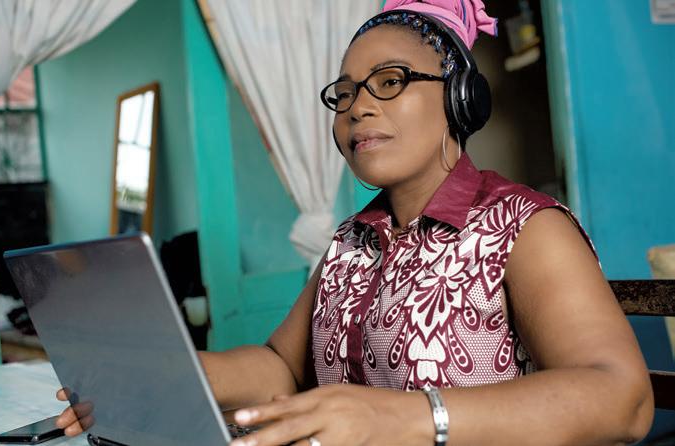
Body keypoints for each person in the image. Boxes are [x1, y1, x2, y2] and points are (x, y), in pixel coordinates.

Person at [56, 1, 654, 444]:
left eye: (390, 82)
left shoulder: (526, 228)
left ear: (460, 99)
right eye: (344, 94)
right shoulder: (350, 242)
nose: (359, 106)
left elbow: (622, 398)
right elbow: (280, 367)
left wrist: (402, 417)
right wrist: (162, 373)